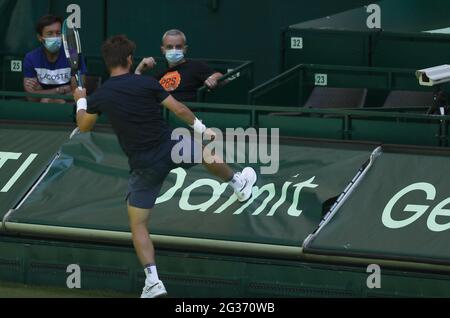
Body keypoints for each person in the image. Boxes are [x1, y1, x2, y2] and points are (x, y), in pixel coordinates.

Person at [73, 35, 257, 298]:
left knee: (138, 225)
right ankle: (238, 184)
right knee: (205, 153)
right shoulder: (146, 83)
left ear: (107, 62)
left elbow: (83, 125)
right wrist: (201, 128)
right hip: (169, 146)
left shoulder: (101, 96)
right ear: (129, 59)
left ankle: (153, 281)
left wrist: (80, 98)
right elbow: (179, 109)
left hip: (143, 164)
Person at [134, 29, 223, 102]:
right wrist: (138, 71)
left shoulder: (195, 66)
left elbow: (221, 77)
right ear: (163, 50)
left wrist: (213, 78)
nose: (174, 50)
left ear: (185, 49)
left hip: (188, 117)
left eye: (178, 47)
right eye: (169, 47)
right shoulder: (158, 74)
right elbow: (136, 92)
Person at [23, 14, 87, 103]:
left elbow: (77, 93)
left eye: (58, 33)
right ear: (40, 37)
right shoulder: (31, 58)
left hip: (69, 109)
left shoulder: (73, 55)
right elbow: (32, 97)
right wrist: (61, 90)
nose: (55, 37)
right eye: (50, 33)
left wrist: (41, 92)